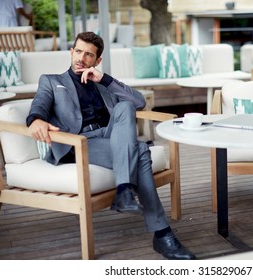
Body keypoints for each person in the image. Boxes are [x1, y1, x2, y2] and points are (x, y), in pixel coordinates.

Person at [26, 31, 195, 260]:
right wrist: (36, 119)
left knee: (125, 107)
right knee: (142, 151)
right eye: (78, 52)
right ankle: (162, 234)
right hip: (79, 143)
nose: (81, 58)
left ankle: (125, 192)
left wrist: (103, 79)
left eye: (88, 55)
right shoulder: (52, 81)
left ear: (97, 60)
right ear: (71, 52)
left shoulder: (103, 83)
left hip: (109, 136)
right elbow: (40, 105)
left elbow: (138, 102)